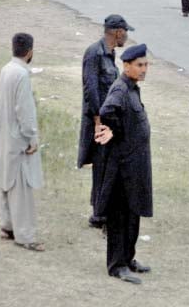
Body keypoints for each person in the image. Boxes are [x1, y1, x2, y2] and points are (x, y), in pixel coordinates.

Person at [94, 44, 152, 285]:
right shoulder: (120, 89)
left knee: (133, 213)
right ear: (126, 66)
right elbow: (107, 111)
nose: (144, 69)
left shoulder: (132, 89)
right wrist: (117, 133)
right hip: (123, 166)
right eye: (139, 65)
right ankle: (117, 265)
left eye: (146, 65)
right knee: (119, 216)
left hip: (135, 166)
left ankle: (128, 258)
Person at [0, 33, 45, 252]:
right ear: (30, 51)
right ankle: (25, 235)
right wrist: (31, 136)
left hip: (4, 133)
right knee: (21, 187)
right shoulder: (21, 74)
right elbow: (25, 110)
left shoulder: (6, 69)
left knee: (6, 182)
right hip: (18, 137)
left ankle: (7, 226)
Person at [78, 15, 133, 229]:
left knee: (108, 166)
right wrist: (98, 121)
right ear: (118, 32)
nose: (126, 36)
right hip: (99, 121)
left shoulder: (109, 55)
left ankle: (102, 210)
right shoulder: (95, 53)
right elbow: (90, 88)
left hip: (109, 121)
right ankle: (99, 214)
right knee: (102, 167)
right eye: (125, 32)